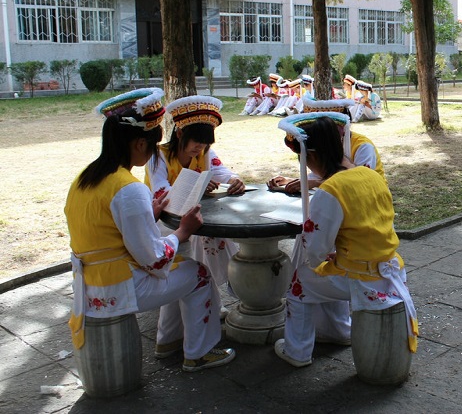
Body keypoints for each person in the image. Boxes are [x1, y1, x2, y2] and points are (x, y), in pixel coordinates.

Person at [65, 88, 235, 372]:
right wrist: (183, 231)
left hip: (90, 283)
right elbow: (155, 260)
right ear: (140, 143)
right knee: (197, 273)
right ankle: (198, 353)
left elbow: (108, 229)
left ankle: (168, 340)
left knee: (180, 268)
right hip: (119, 285)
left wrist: (150, 214)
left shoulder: (85, 178)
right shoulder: (128, 189)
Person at [271, 113, 417, 368]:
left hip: (362, 277)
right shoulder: (371, 176)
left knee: (301, 280)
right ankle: (338, 331)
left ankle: (297, 351)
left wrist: (323, 259)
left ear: (312, 155)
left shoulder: (331, 190)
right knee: (327, 269)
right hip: (391, 266)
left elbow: (314, 249)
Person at [145, 95, 245, 300]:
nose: (200, 148)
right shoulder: (158, 156)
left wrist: (235, 179)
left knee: (214, 233)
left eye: (205, 143)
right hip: (165, 219)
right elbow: (160, 193)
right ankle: (216, 289)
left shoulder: (205, 153)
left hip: (193, 215)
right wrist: (196, 186)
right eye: (197, 142)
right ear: (180, 133)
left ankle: (232, 281)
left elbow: (222, 172)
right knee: (205, 232)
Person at [269, 97, 385, 194]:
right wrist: (293, 181)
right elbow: (321, 174)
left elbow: (360, 184)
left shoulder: (363, 146)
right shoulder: (326, 145)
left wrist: (316, 183)